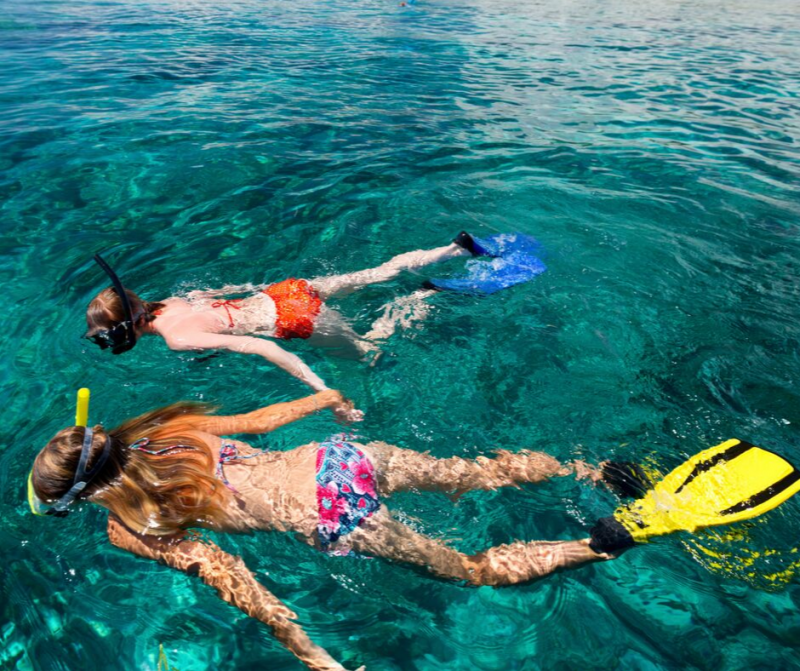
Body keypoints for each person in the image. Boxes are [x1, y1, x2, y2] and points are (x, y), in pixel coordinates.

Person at [29, 390, 611, 671]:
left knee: (476, 571)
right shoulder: (169, 427)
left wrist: (313, 656)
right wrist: (325, 397)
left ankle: (601, 542)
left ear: (85, 496)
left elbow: (227, 572)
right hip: (339, 457)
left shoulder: (126, 527)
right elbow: (259, 421)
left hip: (332, 513)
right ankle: (588, 469)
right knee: (478, 475)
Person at [83, 234, 488, 407]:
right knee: (377, 272)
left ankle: (422, 297)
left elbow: (263, 345)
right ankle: (456, 249)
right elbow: (224, 294)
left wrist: (319, 390)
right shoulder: (170, 302)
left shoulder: (176, 338)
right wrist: (257, 287)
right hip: (284, 291)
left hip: (297, 319)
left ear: (127, 329)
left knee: (369, 353)